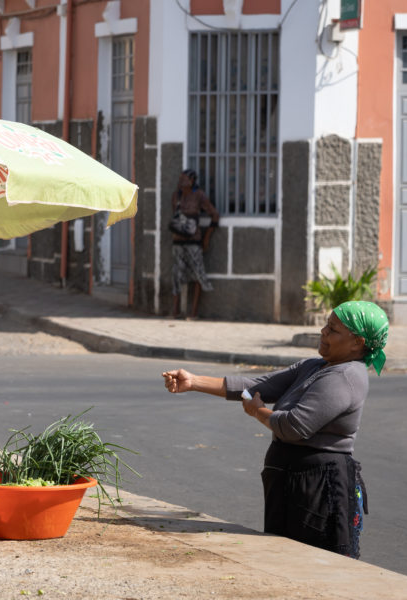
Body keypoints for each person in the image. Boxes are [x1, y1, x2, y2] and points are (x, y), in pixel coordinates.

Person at [162, 300, 389, 558]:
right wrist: (193, 382)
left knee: (312, 559)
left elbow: (294, 426)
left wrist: (258, 411)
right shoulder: (315, 367)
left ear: (357, 343)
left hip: (318, 484)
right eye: (326, 325)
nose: (324, 332)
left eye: (333, 330)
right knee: (283, 554)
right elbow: (257, 384)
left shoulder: (346, 377)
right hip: (291, 477)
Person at [169, 169, 219, 319]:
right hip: (178, 241)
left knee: (197, 275)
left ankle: (194, 312)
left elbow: (214, 214)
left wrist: (206, 238)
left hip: (194, 242)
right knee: (177, 275)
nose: (181, 182)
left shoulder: (199, 196)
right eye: (180, 179)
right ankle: (175, 311)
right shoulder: (176, 196)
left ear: (192, 181)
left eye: (184, 179)